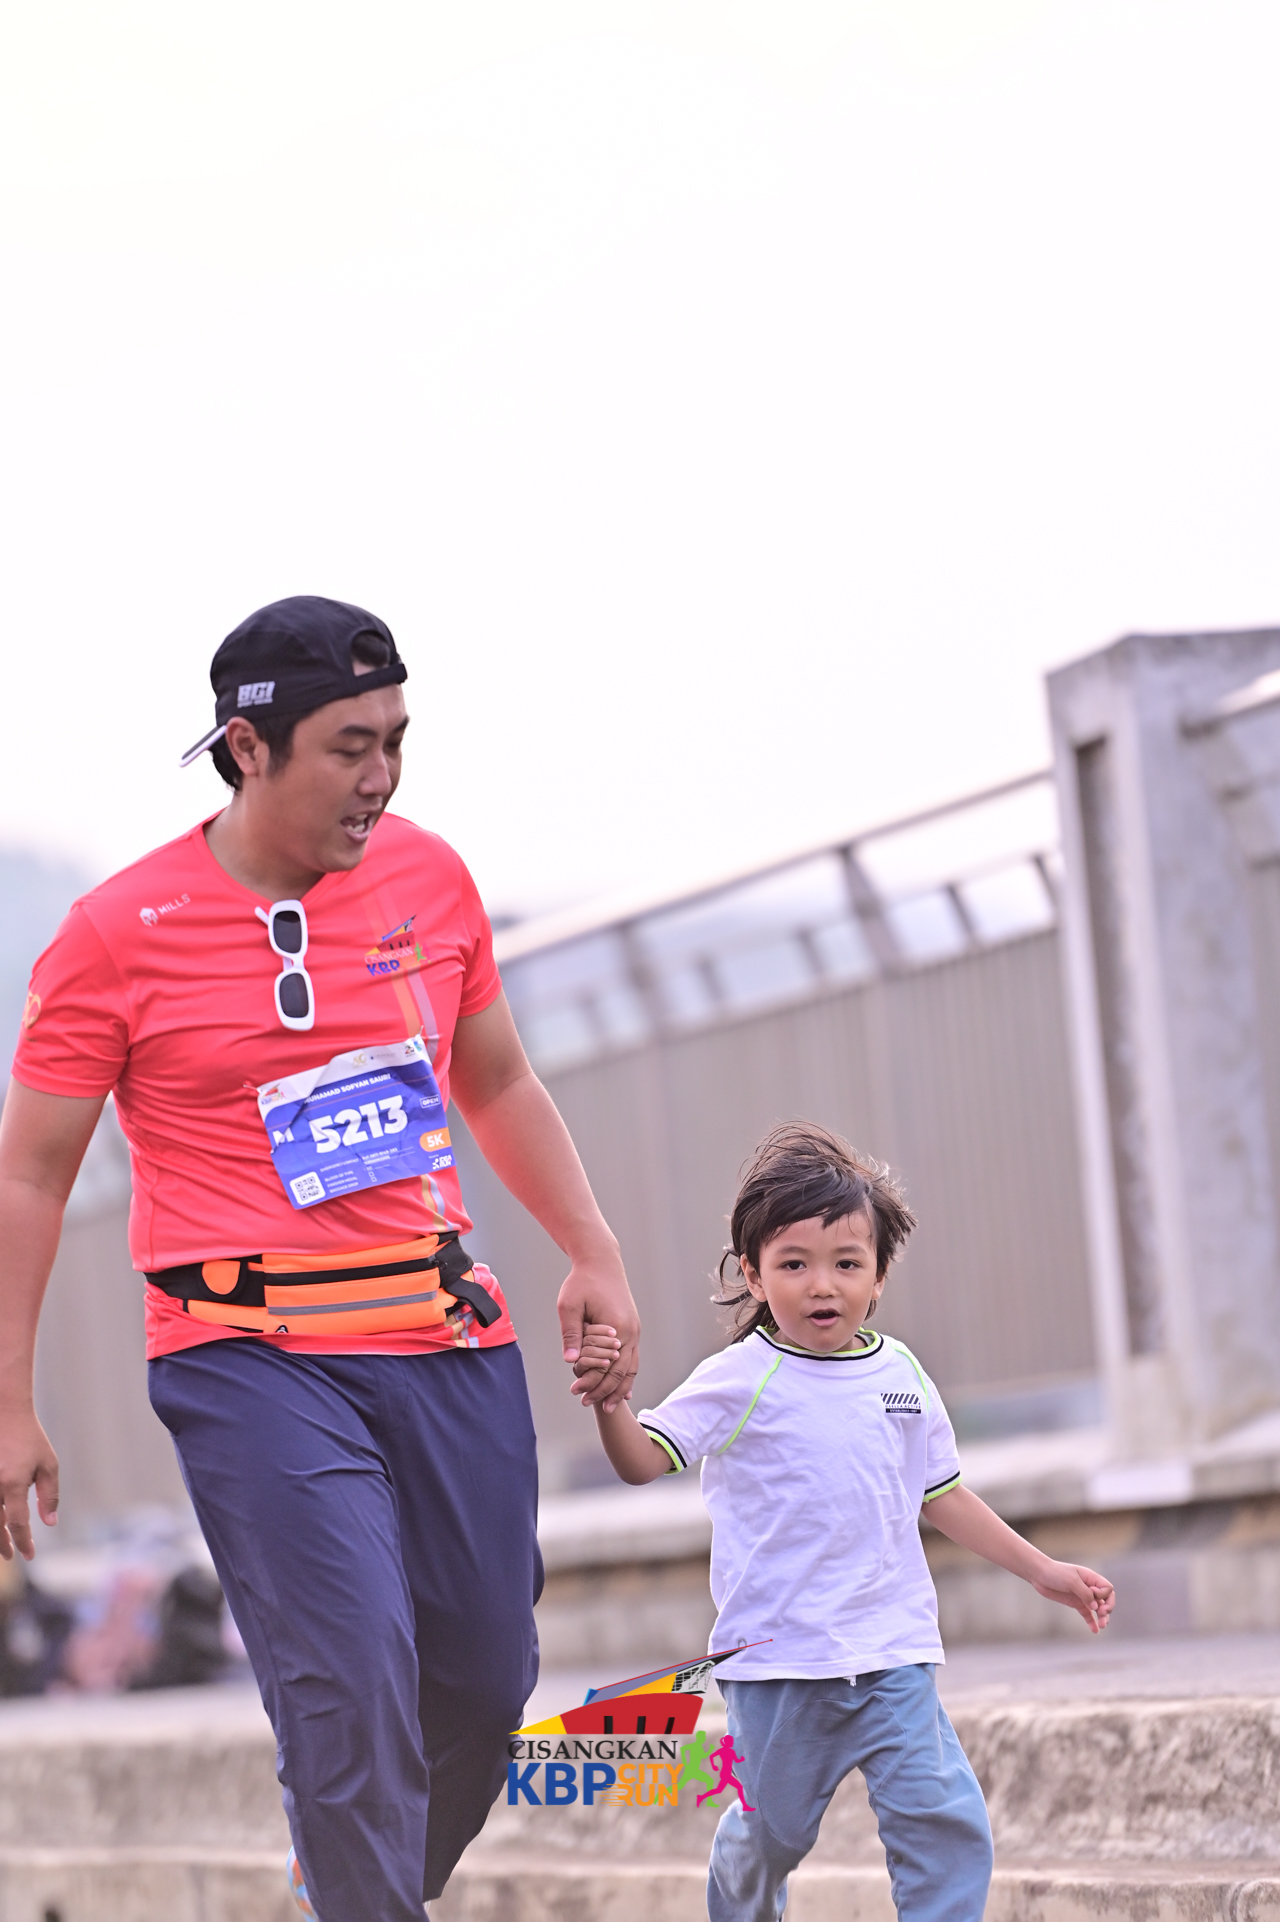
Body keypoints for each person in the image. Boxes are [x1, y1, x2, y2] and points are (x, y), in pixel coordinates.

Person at [0, 595, 639, 1922]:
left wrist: (592, 1246)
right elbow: (30, 1175)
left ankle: (345, 1891)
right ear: (247, 748)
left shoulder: (431, 877)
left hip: (443, 1332)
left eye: (397, 738)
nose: (382, 774)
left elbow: (496, 1078)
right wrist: (10, 1399)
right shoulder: (117, 932)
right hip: (249, 1356)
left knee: (481, 1682)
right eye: (350, 745)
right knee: (348, 1681)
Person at [580, 1120, 1115, 1922]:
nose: (821, 1285)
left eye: (846, 1263)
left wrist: (1044, 1570)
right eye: (793, 1264)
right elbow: (642, 1460)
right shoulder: (741, 1378)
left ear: (879, 1275)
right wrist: (610, 1404)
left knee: (944, 1821)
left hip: (892, 1654)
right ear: (754, 1274)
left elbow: (942, 1495)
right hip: (781, 1668)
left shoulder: (901, 1375)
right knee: (772, 1837)